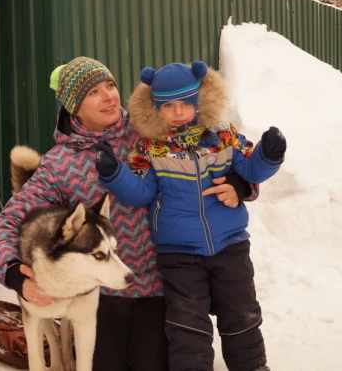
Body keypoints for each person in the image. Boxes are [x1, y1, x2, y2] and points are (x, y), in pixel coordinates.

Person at [0, 56, 258, 371]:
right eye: (93, 92)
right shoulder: (59, 164)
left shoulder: (154, 130)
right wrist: (13, 273)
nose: (109, 96)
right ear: (74, 107)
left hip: (164, 282)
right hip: (103, 296)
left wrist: (242, 182)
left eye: (110, 85)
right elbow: (6, 224)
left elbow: (221, 152)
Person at [93, 61, 286, 371]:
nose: (179, 111)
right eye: (169, 106)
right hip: (178, 252)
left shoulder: (224, 136)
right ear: (157, 109)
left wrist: (269, 154)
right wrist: (114, 174)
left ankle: (251, 365)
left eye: (185, 102)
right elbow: (141, 191)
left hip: (230, 244)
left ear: (199, 99)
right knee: (187, 319)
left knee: (240, 311)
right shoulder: (150, 149)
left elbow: (251, 168)